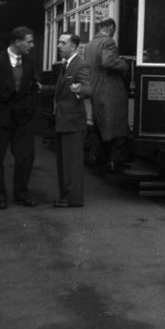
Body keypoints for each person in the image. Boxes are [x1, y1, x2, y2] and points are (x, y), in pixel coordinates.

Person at [0, 26, 40, 209]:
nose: (32, 45)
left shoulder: (29, 61)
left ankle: (21, 194)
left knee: (25, 157)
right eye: (29, 42)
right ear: (17, 42)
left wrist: (30, 107)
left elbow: (31, 87)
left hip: (24, 118)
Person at [84, 18, 129, 174]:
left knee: (100, 123)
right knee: (118, 124)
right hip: (109, 86)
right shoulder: (108, 42)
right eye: (114, 30)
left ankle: (96, 157)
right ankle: (115, 161)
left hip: (95, 86)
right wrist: (124, 64)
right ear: (110, 28)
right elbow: (108, 62)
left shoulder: (90, 44)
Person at [53, 33, 92, 208]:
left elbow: (88, 89)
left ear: (74, 47)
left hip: (72, 122)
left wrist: (79, 89)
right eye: (59, 42)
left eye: (63, 43)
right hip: (65, 121)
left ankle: (72, 199)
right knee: (65, 162)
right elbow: (61, 90)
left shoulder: (80, 65)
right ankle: (66, 196)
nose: (59, 46)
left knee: (72, 163)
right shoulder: (66, 65)